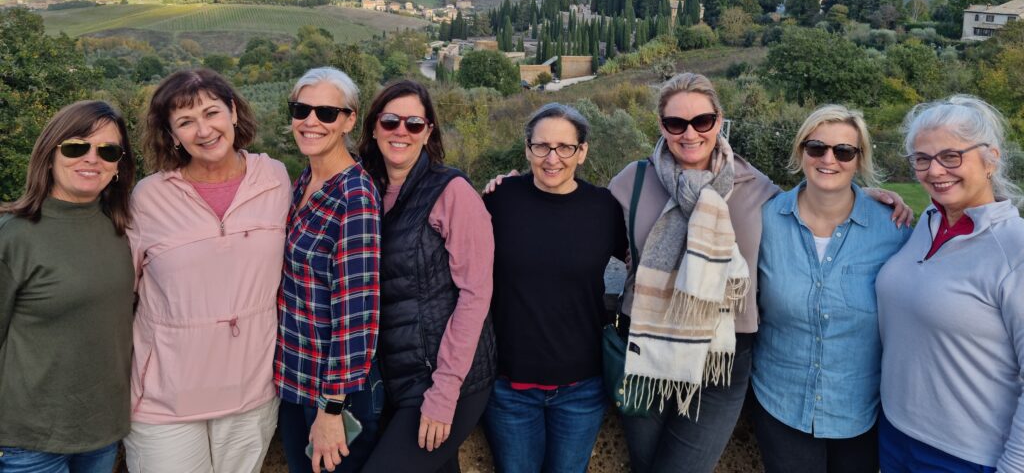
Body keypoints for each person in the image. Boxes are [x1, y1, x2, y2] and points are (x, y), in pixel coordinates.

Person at [607, 72, 912, 473]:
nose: (690, 133)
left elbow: (817, 199)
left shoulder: (754, 186)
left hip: (723, 359)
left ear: (719, 121)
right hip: (646, 347)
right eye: (676, 123)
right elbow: (590, 239)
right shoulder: (632, 181)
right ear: (662, 126)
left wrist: (861, 196)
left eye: (702, 121)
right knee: (645, 464)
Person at [124, 68, 291, 473]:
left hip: (250, 392)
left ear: (233, 112)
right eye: (185, 121)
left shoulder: (275, 179)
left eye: (212, 113)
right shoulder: (148, 197)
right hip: (165, 398)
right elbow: (120, 288)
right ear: (171, 134)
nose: (203, 130)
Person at [750, 105, 910, 473]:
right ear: (801, 152)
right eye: (816, 147)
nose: (828, 159)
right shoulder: (765, 220)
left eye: (843, 151)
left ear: (859, 159)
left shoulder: (894, 231)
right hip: (780, 403)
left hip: (860, 412)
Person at [876, 95, 1024, 472]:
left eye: (951, 156)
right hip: (894, 435)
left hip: (966, 457)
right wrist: (857, 197)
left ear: (990, 159)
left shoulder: (1014, 247)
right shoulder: (928, 221)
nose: (935, 170)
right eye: (922, 159)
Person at [357, 79, 496, 473]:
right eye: (390, 121)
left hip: (450, 381)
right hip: (396, 379)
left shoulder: (452, 191)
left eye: (414, 124)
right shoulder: (365, 189)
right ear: (374, 127)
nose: (401, 131)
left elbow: (475, 295)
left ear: (428, 131)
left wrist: (444, 391)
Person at [481, 103, 628, 473]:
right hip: (509, 387)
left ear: (582, 151)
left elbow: (638, 259)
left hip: (582, 387)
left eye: (565, 147)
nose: (552, 158)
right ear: (527, 149)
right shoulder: (500, 199)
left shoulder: (604, 207)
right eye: (542, 146)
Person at [0, 100, 136, 473]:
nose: (92, 158)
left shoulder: (122, 229)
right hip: (28, 442)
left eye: (108, 151)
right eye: (76, 147)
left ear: (118, 166)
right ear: (50, 154)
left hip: (102, 433)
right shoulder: (13, 235)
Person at [275, 68, 382, 473]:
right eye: (301, 109)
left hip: (332, 396)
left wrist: (331, 408)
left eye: (326, 112)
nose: (311, 121)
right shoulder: (306, 180)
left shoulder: (354, 195)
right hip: (294, 380)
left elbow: (357, 312)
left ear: (349, 120)